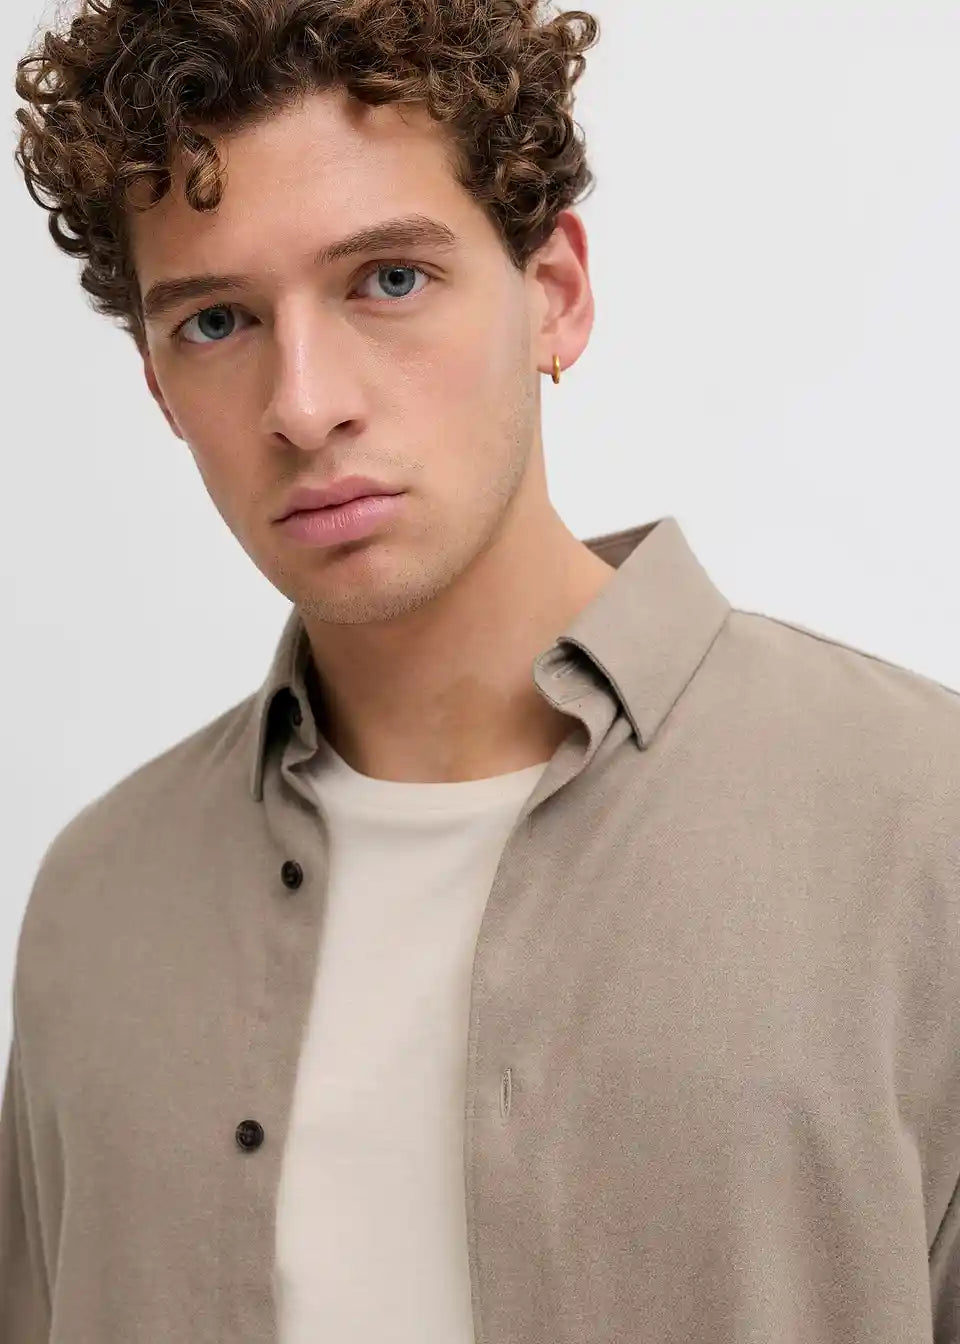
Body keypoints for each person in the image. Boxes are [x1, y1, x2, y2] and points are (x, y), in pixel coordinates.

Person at [3, 0, 959, 1340]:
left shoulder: (924, 827)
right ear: (160, 388)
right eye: (216, 320)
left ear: (555, 294)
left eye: (388, 280)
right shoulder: (96, 905)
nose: (304, 404)